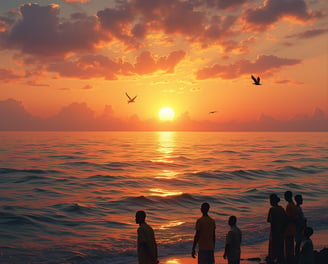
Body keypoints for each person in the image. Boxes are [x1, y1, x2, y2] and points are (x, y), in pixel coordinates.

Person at [267, 193, 287, 264]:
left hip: (274, 230)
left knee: (273, 246)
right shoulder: (281, 209)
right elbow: (285, 219)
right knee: (280, 246)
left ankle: (273, 259)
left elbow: (268, 220)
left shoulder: (272, 210)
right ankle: (280, 258)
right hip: (281, 230)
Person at [284, 191, 299, 264]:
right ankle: (291, 258)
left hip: (289, 228)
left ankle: (289, 260)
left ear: (287, 197)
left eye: (285, 196)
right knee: (291, 245)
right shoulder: (293, 205)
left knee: (288, 246)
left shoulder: (289, 206)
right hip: (293, 228)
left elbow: (288, 218)